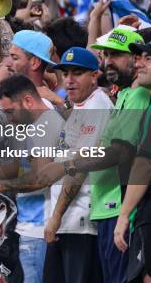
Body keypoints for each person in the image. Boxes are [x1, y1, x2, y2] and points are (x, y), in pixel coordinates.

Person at [0, 74, 65, 283]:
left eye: (10, 111)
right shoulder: (30, 126)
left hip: (38, 228)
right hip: (23, 225)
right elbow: (17, 166)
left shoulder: (48, 123)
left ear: (28, 101)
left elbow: (41, 179)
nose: (8, 117)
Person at [43, 47, 113, 283]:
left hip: (81, 221)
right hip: (68, 221)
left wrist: (55, 217)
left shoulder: (97, 105)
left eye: (78, 73)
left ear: (95, 75)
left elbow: (79, 168)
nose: (69, 80)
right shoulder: (81, 105)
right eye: (66, 73)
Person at [113, 32, 151, 283]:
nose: (139, 63)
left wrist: (124, 214)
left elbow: (145, 165)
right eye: (139, 57)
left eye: (150, 58)